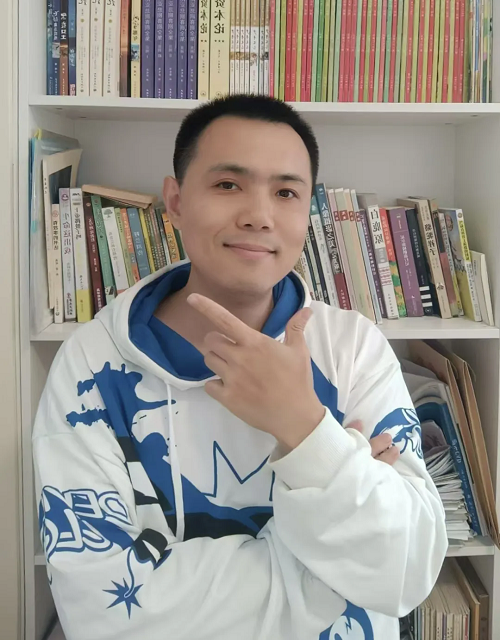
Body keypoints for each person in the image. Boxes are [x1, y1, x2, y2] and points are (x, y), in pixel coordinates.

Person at [33, 95, 447, 640]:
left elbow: (406, 570)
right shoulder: (92, 365)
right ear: (176, 201)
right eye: (228, 184)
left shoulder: (352, 348)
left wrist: (304, 427)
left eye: (286, 192)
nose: (258, 215)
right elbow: (102, 612)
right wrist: (338, 576)